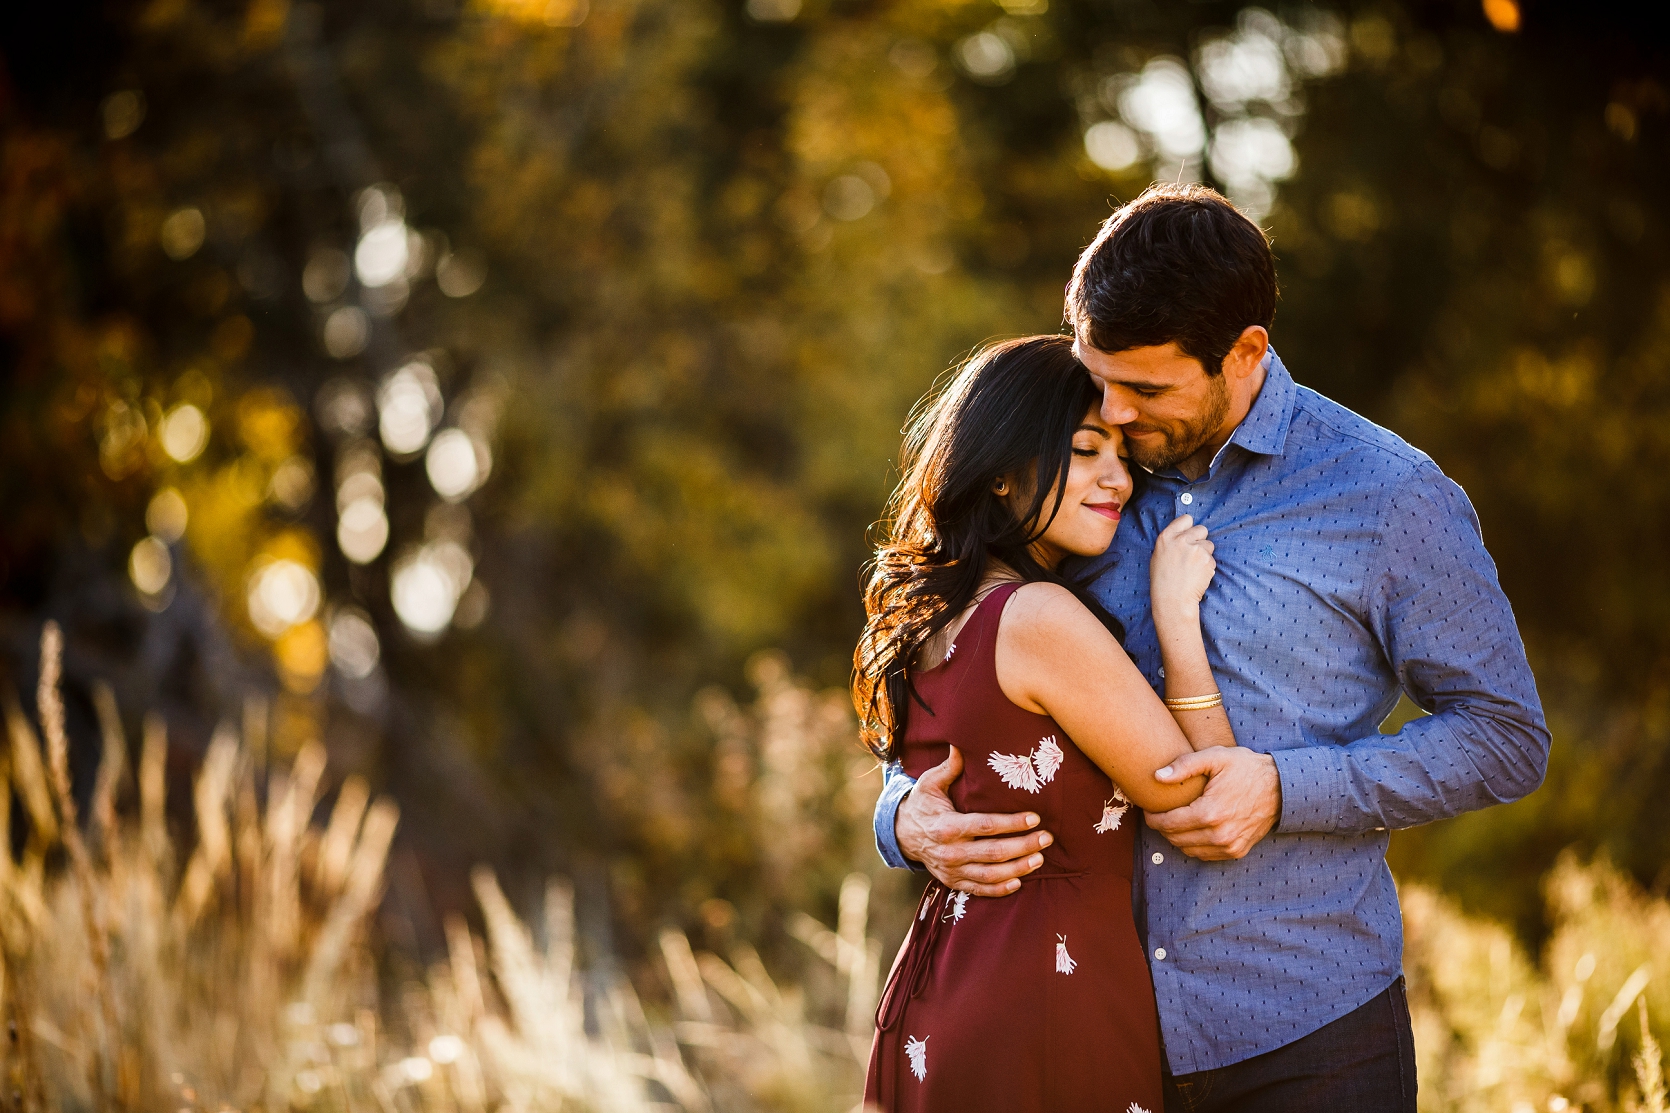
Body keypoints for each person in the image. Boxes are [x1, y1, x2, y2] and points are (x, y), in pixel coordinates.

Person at [871, 184, 1551, 1112]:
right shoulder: (1079, 481)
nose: (1113, 411)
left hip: (1304, 1027)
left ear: (1245, 353)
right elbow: (965, 667)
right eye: (1097, 376)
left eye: (1145, 389)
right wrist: (903, 816)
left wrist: (1286, 786)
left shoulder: (1389, 498)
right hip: (1096, 1027)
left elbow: (1506, 735)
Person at [855, 334, 1240, 1112]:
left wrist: (895, 816)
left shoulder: (933, 617)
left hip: (947, 984)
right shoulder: (1036, 617)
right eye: (1085, 448)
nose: (1119, 478)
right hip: (1046, 999)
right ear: (1002, 469)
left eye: (1122, 453)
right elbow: (1200, 795)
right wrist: (1176, 619)